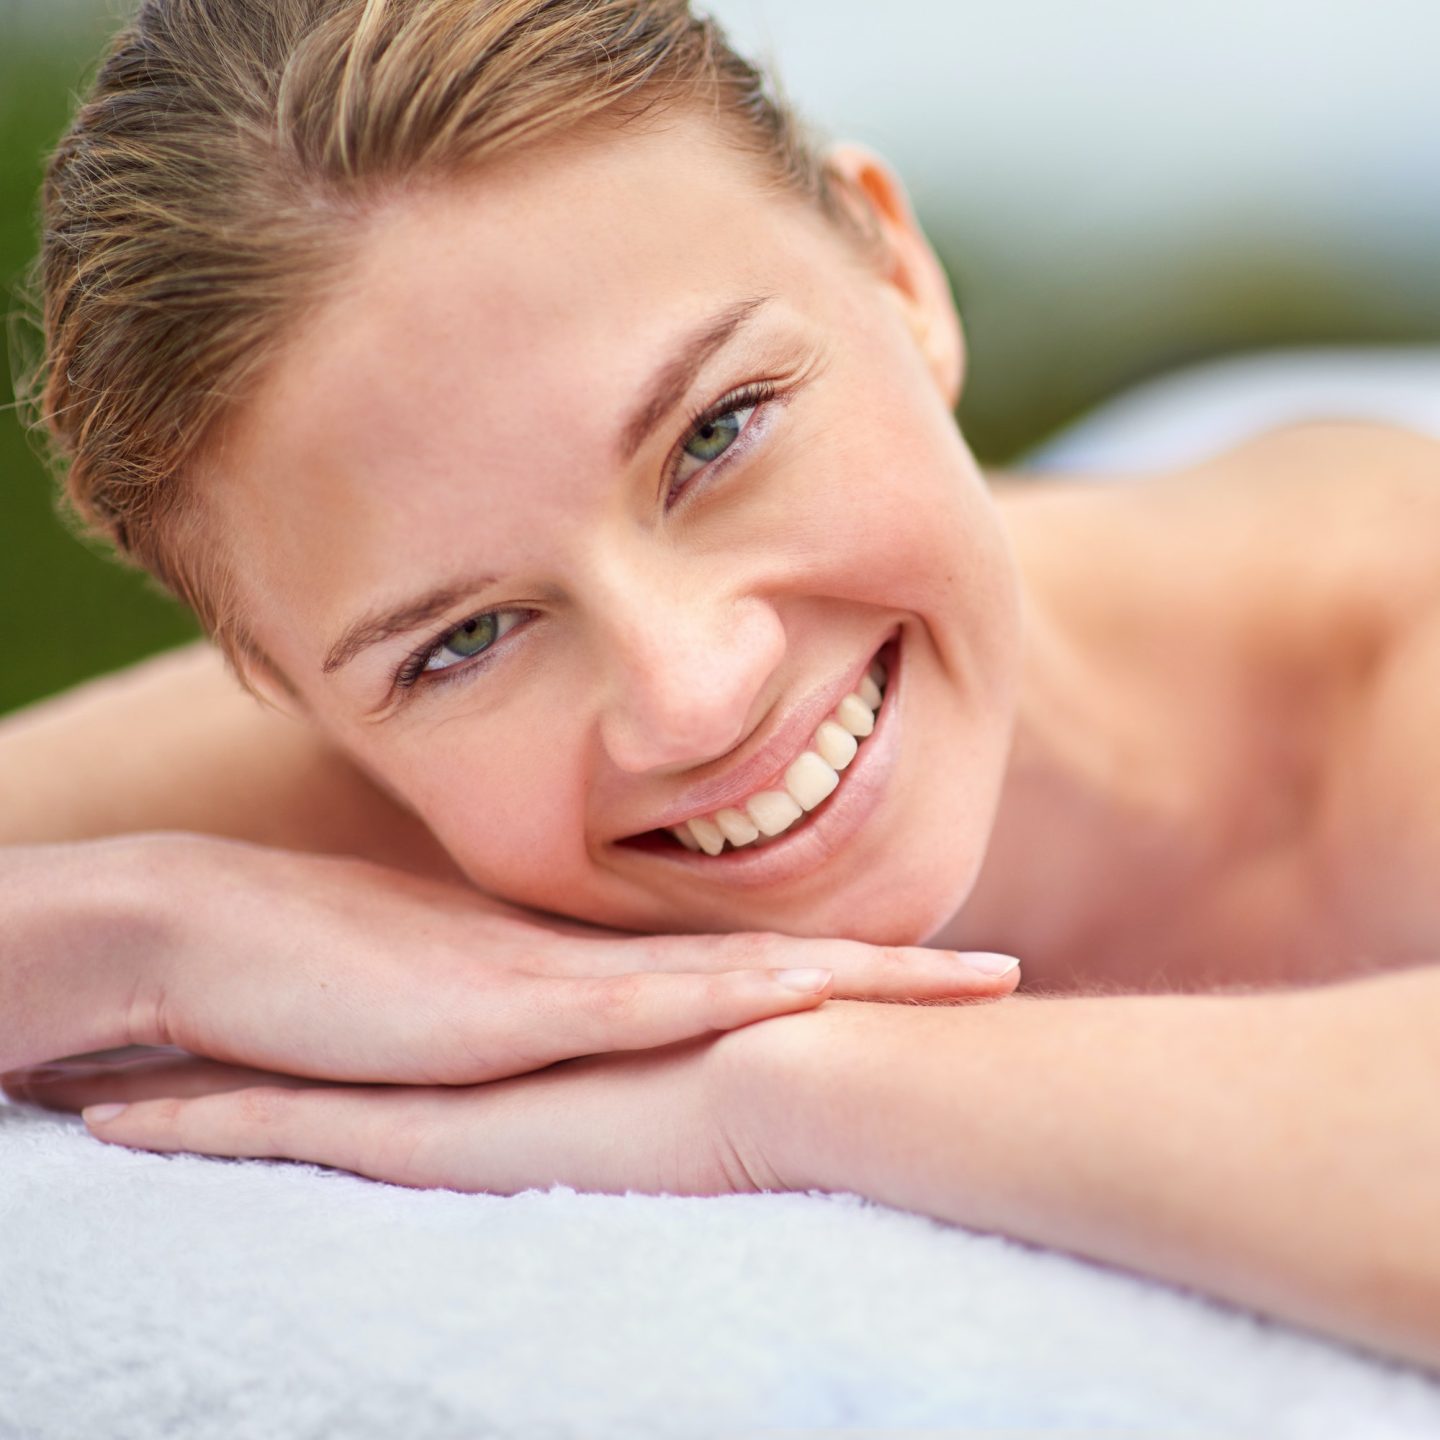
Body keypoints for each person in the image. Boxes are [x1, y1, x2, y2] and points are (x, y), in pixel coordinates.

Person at [2, 0, 1438, 1373]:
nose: (690, 694)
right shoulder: (347, 776)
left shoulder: (1392, 644)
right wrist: (151, 932)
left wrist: (767, 1095)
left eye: (719, 434)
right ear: (282, 694)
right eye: (468, 641)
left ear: (896, 270)